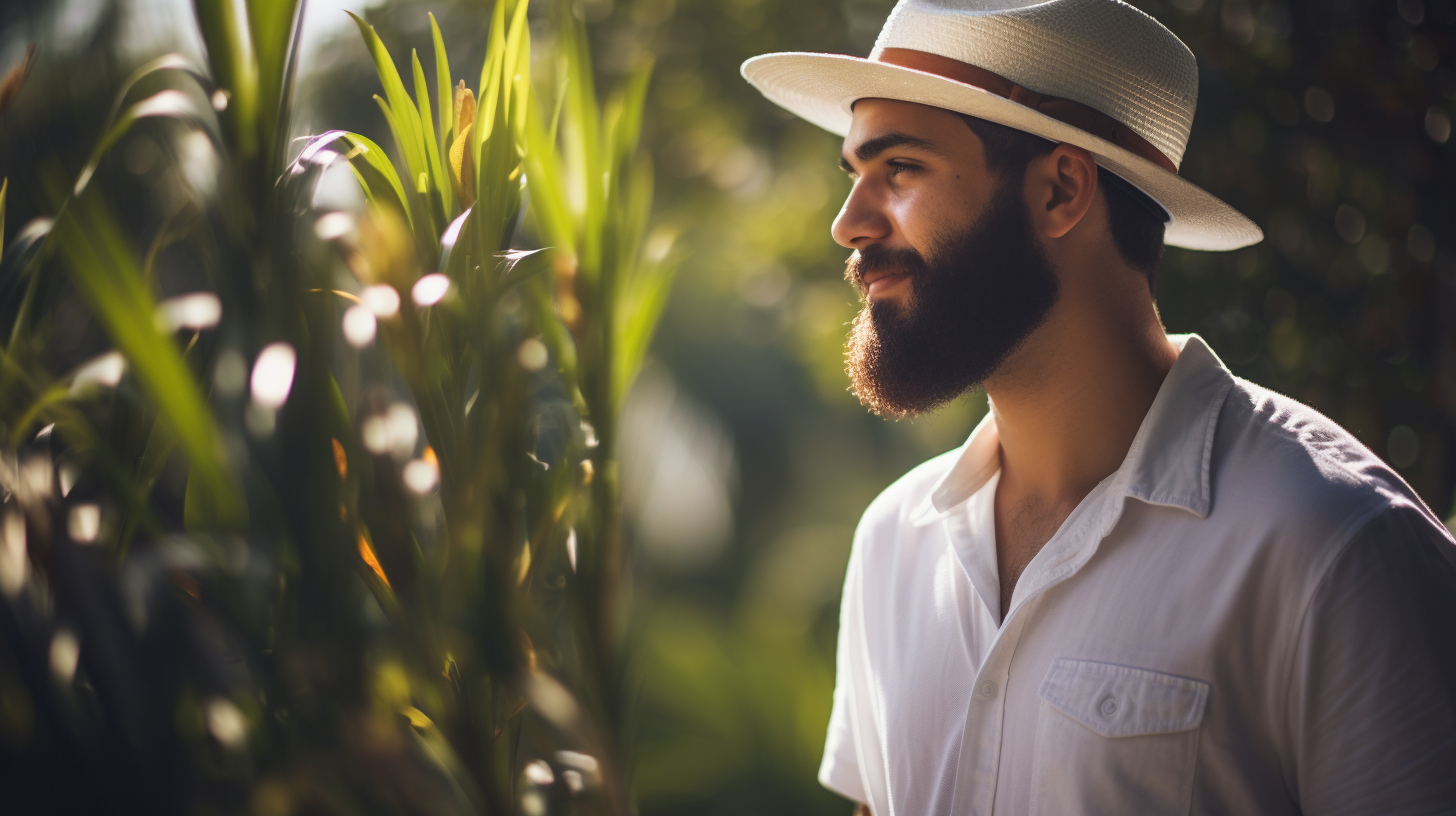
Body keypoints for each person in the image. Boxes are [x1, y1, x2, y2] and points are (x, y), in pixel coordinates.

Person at [740, 1, 1456, 814]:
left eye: (900, 169)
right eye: (856, 176)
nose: (848, 225)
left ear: (1060, 191)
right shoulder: (893, 544)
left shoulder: (1334, 547)